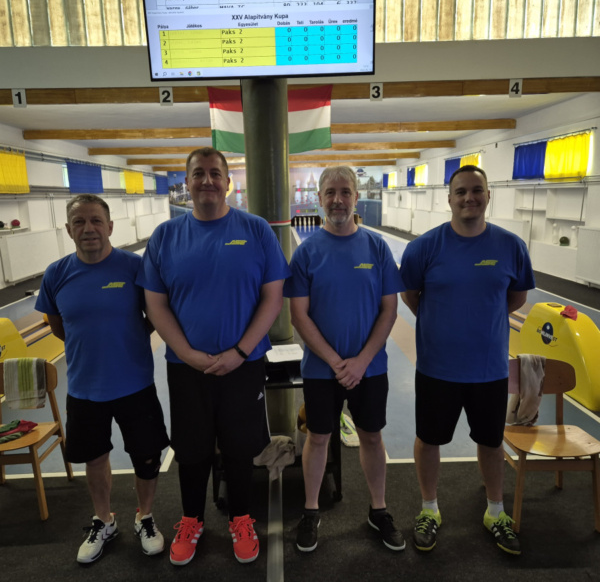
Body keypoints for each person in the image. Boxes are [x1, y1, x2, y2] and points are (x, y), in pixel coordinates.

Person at [137, 147, 290, 567]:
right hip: (187, 367)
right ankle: (191, 521)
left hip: (244, 364)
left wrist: (241, 351)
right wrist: (186, 353)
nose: (207, 180)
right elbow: (155, 304)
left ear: (227, 182)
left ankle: (241, 518)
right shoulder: (166, 237)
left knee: (240, 447)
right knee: (192, 449)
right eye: (198, 173)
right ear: (186, 183)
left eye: (215, 173)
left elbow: (273, 297)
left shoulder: (256, 230)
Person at [399, 165, 535, 555]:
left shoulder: (510, 246)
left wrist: (482, 320)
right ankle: (429, 509)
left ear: (489, 195)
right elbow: (410, 295)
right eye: (460, 192)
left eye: (477, 190)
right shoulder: (424, 248)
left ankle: (495, 511)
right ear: (449, 198)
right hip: (437, 368)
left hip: (489, 369)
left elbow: (517, 297)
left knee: (491, 442)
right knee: (429, 440)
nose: (469, 198)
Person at [35, 194, 170, 564]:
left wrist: (125, 341)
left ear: (110, 226)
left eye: (96, 220)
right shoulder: (56, 273)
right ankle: (104, 520)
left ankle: (145, 517)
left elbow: (155, 316)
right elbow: (58, 326)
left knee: (146, 456)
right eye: (79, 222)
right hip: (84, 387)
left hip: (135, 383)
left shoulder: (134, 267)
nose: (88, 228)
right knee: (95, 459)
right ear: (68, 229)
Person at [284, 166, 404, 553]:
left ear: (356, 197)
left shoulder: (377, 248)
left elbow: (389, 310)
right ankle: (311, 510)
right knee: (318, 437)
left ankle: (378, 509)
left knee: (371, 436)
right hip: (322, 370)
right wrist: (337, 362)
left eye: (345, 192)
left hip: (371, 368)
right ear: (319, 199)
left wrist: (361, 361)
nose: (338, 199)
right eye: (331, 192)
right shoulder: (306, 253)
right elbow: (298, 315)